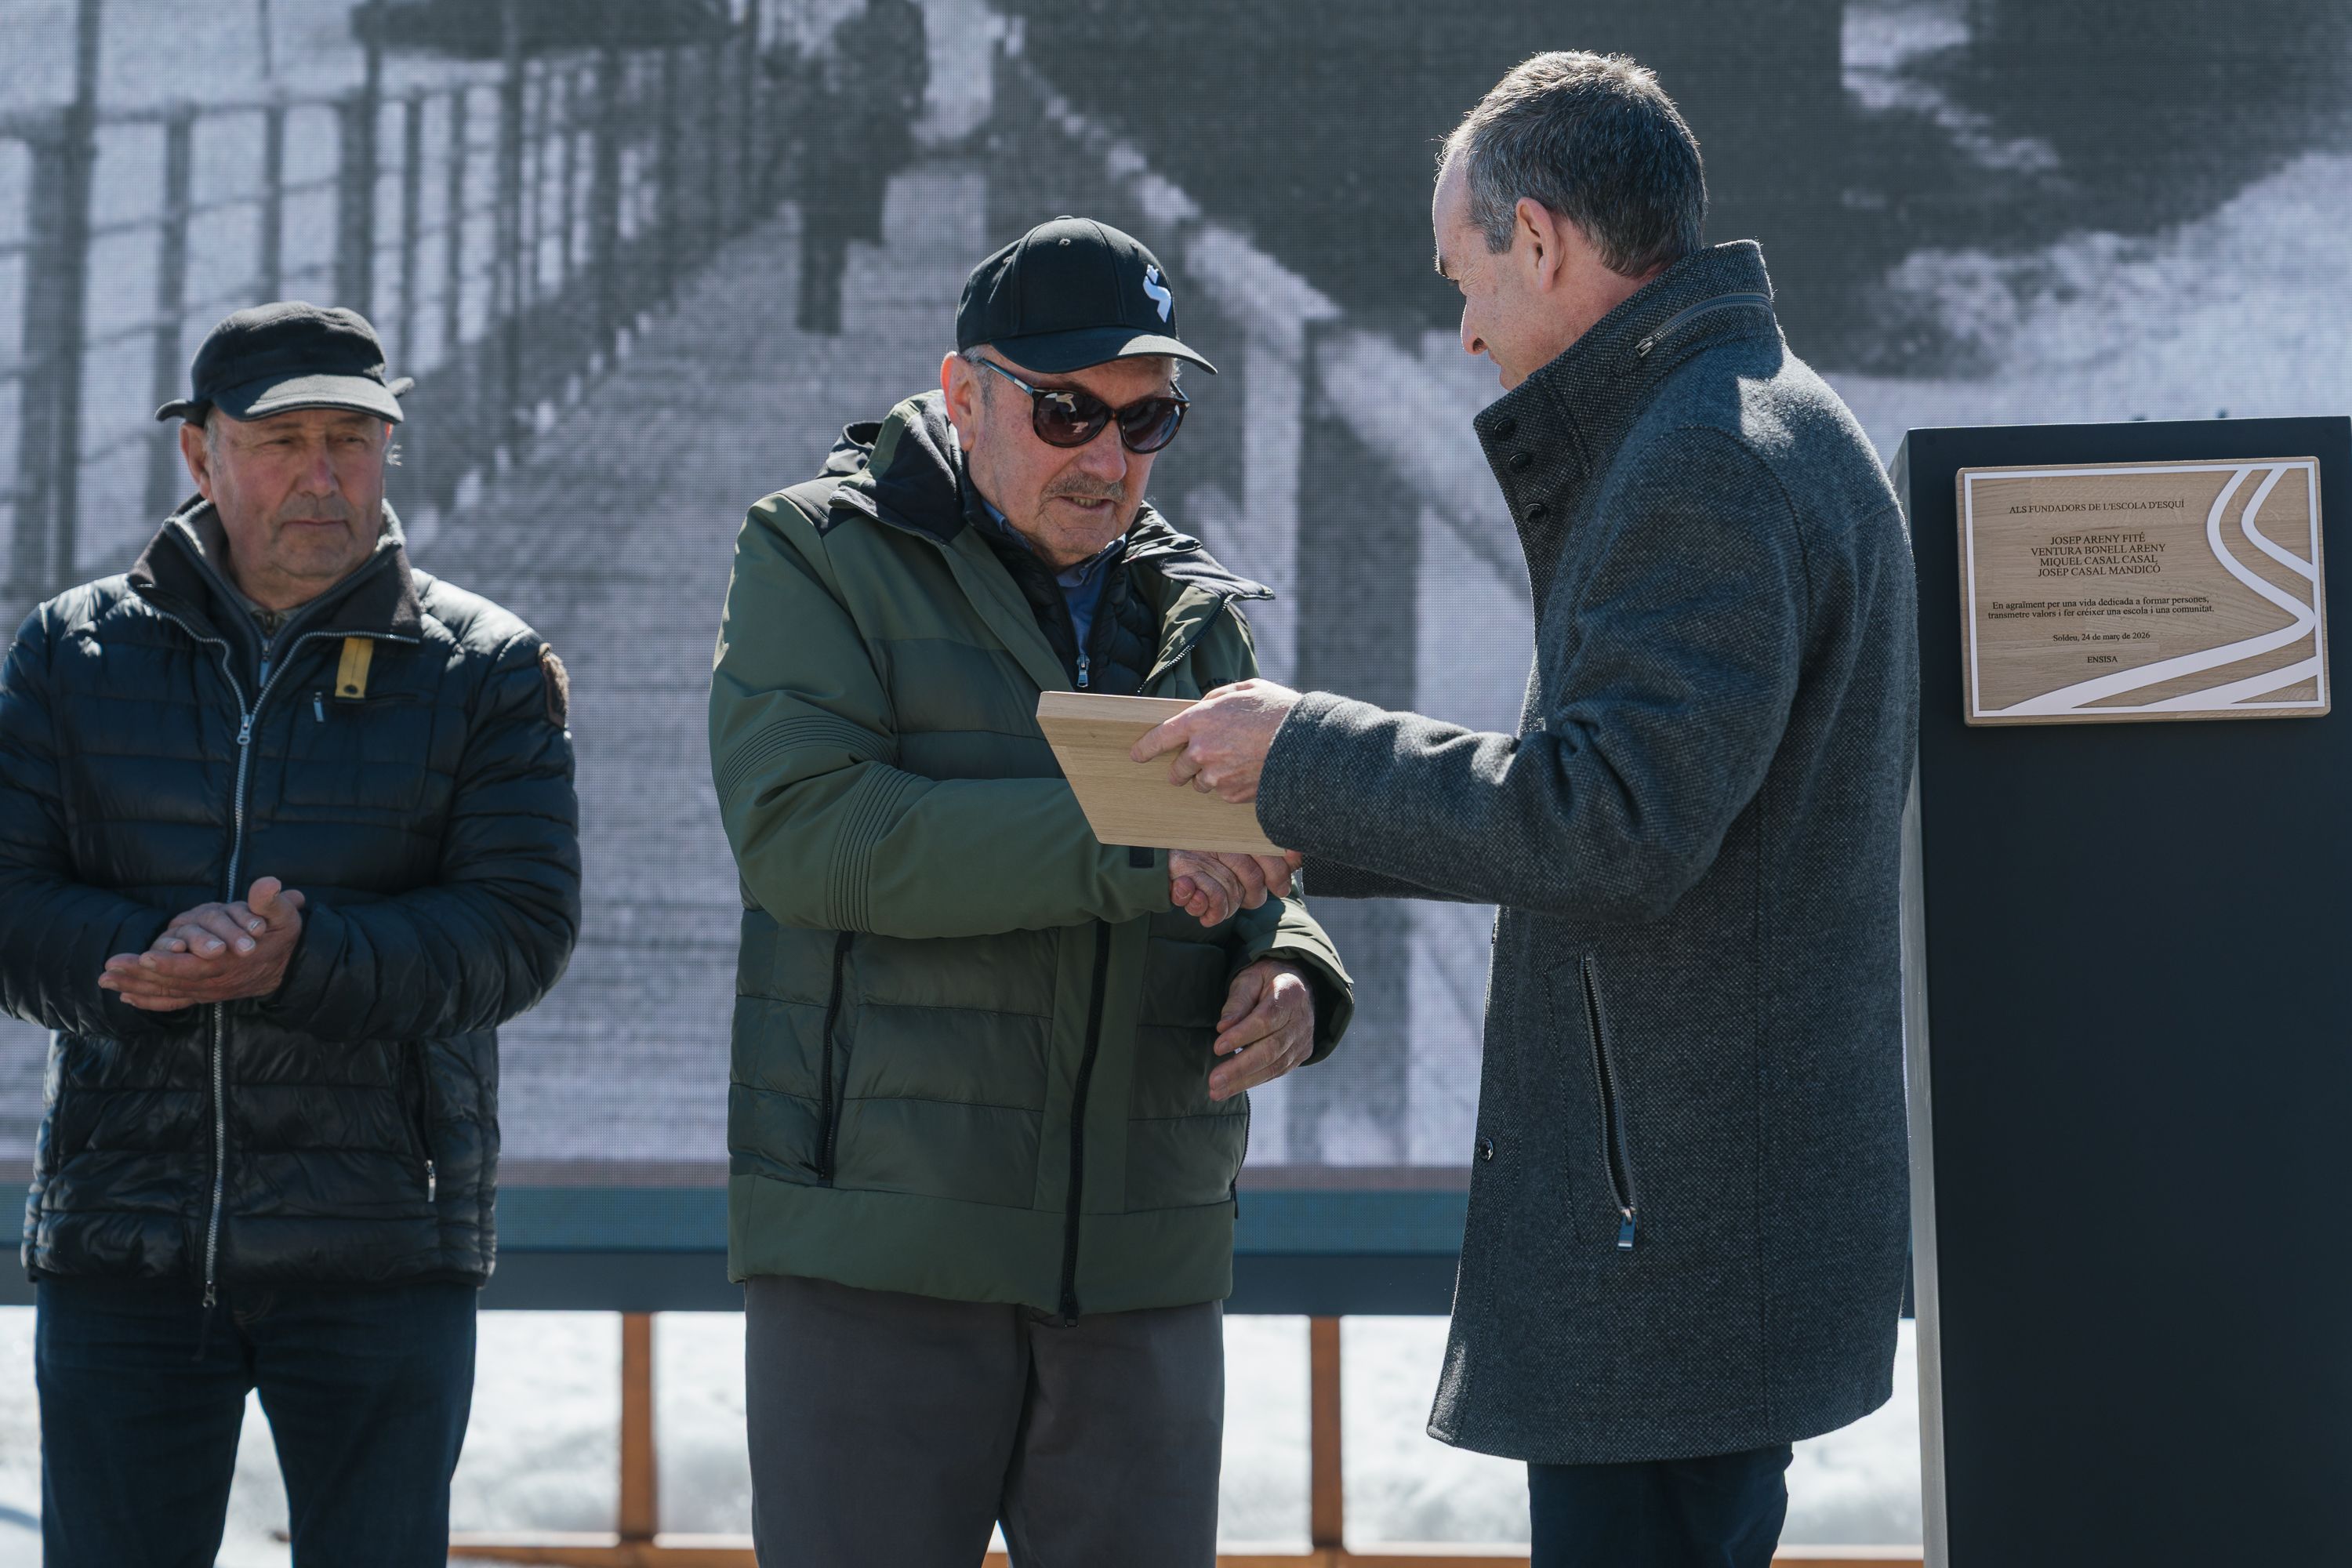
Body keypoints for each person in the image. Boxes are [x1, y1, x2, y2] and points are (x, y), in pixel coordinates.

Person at [1134, 53, 1919, 1568]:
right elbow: (1639, 800)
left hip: (1670, 1235)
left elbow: (1609, 823)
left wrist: (1294, 752)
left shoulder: (1699, 459)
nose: (1465, 328)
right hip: (1712, 1219)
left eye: (1465, 276)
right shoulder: (1752, 418)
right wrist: (1304, 828)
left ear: (1542, 238)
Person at [709, 215, 1352, 1566]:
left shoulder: (1199, 602)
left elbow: (1243, 858)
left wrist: (1293, 967)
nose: (1110, 457)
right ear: (964, 394)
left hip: (1142, 1262)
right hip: (885, 1254)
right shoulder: (813, 553)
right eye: (1068, 412)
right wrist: (1135, 846)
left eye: (1148, 420)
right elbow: (811, 837)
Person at [1, 302, 582, 1566]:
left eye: (353, 439)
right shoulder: (70, 652)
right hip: (131, 1239)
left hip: (381, 1248)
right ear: (199, 455)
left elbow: (519, 933)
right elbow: (9, 904)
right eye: (282, 441)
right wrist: (144, 955)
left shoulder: (484, 667)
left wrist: (299, 964)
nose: (324, 476)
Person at [782, 0, 930, 334]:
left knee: (828, 242)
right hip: (831, 169)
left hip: (834, 169)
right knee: (823, 240)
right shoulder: (846, 90)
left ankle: (822, 313)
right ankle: (817, 313)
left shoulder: (839, 90)